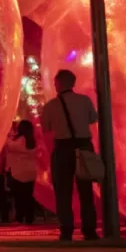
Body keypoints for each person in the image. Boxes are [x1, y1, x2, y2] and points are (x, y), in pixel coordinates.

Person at [39, 69, 100, 241]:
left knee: (63, 191)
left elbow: (46, 129)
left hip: (63, 147)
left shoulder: (51, 105)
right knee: (86, 190)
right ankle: (89, 229)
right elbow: (92, 119)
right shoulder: (84, 101)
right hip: (83, 145)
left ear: (58, 83)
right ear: (73, 83)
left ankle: (66, 229)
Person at [3, 121, 40, 224]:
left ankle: (19, 217)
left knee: (19, 197)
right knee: (29, 196)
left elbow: (9, 145)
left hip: (18, 173)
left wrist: (7, 135)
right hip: (31, 172)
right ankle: (29, 218)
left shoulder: (20, 140)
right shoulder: (33, 141)